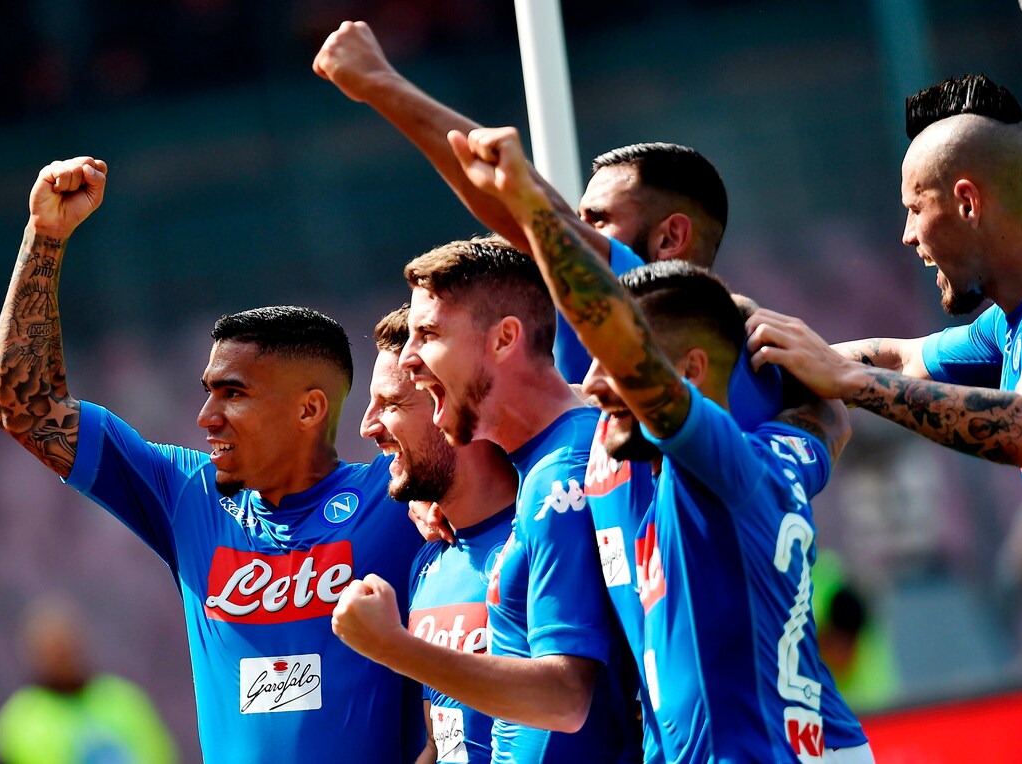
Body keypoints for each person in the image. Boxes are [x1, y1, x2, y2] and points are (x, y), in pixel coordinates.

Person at [448, 124, 873, 762]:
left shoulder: (708, 445)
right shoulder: (776, 445)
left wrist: (526, 201)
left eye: (599, 221)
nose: (592, 381)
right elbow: (830, 419)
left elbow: (560, 257)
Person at [744, 73, 1022, 763]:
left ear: (967, 202)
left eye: (914, 209)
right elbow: (902, 357)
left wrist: (852, 384)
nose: (906, 236)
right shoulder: (1013, 326)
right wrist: (760, 363)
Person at [0, 157, 426, 763]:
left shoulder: (400, 496)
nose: (206, 417)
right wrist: (45, 237)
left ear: (309, 409)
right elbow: (26, 409)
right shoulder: (186, 495)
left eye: (233, 394)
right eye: (207, 392)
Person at [311, 20, 777, 393]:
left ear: (670, 238)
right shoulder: (765, 366)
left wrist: (378, 81)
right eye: (581, 221)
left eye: (598, 222)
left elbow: (534, 214)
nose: (576, 234)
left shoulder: (654, 311)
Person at [331, 236, 642, 763]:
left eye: (429, 335)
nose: (412, 359)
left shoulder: (561, 478)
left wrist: (392, 646)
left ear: (504, 339)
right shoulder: (533, 478)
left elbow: (566, 700)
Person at [363, 303, 518, 764]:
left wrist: (393, 646)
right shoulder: (429, 559)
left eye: (391, 404)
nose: (368, 426)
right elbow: (440, 745)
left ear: (444, 403)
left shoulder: (546, 536)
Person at [0, 595, 178, 764]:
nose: (62, 659)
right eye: (53, 651)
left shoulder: (125, 700)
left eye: (65, 648)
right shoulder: (17, 725)